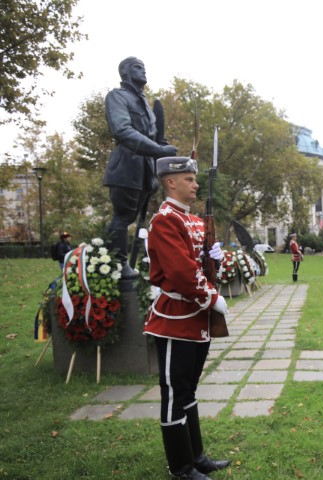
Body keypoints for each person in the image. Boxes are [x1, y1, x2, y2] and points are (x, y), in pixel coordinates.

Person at [144, 156, 229, 480]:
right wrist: (212, 297)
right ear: (170, 182)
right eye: (189, 179)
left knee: (188, 388)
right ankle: (181, 467)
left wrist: (216, 260)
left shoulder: (191, 219)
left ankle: (197, 457)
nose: (195, 184)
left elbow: (199, 264)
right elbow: (180, 272)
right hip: (175, 316)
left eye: (195, 179)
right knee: (173, 391)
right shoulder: (165, 219)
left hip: (196, 318)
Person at [103, 57, 178, 279]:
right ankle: (116, 265)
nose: (143, 71)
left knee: (134, 219)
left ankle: (123, 266)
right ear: (125, 73)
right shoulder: (117, 96)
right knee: (123, 217)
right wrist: (157, 149)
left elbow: (154, 137)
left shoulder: (144, 102)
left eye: (144, 67)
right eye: (137, 67)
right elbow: (122, 131)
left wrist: (165, 150)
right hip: (126, 167)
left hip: (145, 171)